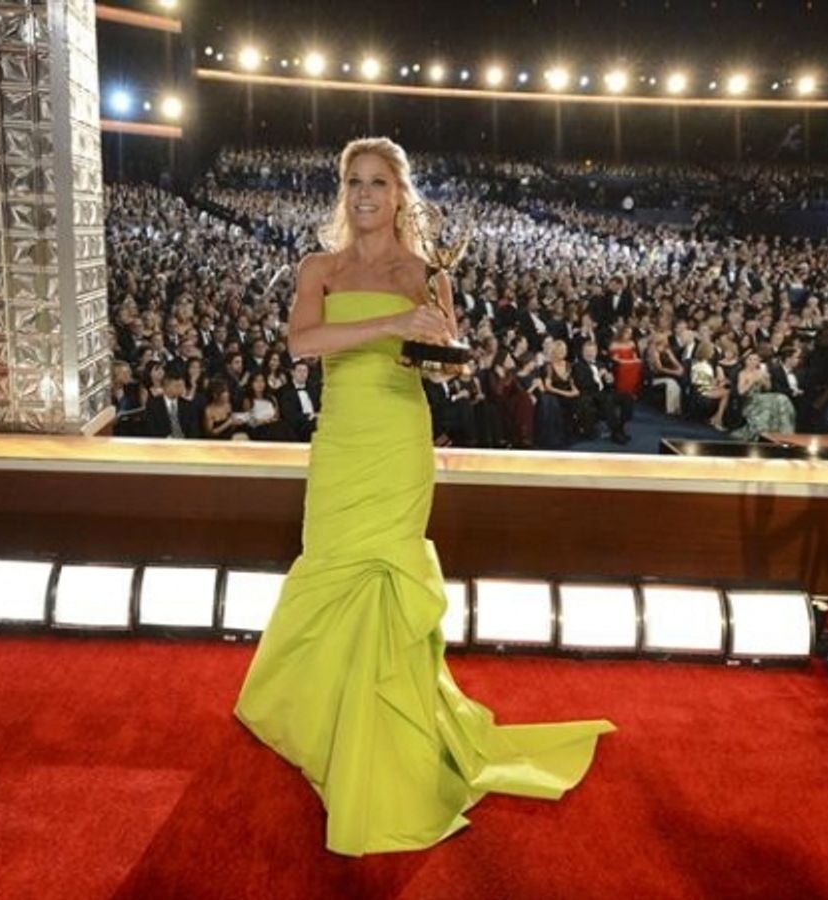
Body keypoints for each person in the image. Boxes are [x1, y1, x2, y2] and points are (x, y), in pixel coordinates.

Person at [233, 137, 614, 857]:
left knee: (386, 575)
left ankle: (385, 734)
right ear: (343, 192)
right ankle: (323, 718)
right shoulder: (320, 266)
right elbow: (300, 344)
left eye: (380, 182)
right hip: (344, 438)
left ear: (402, 194)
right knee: (331, 564)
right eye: (355, 182)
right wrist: (389, 323)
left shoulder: (425, 272)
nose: (367, 194)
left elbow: (440, 367)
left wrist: (437, 347)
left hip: (402, 439)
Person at [145, 365, 200, 439]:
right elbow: (151, 429)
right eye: (178, 386)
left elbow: (194, 430)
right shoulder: (153, 405)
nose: (182, 389)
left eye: (183, 386)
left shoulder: (187, 405)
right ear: (167, 387)